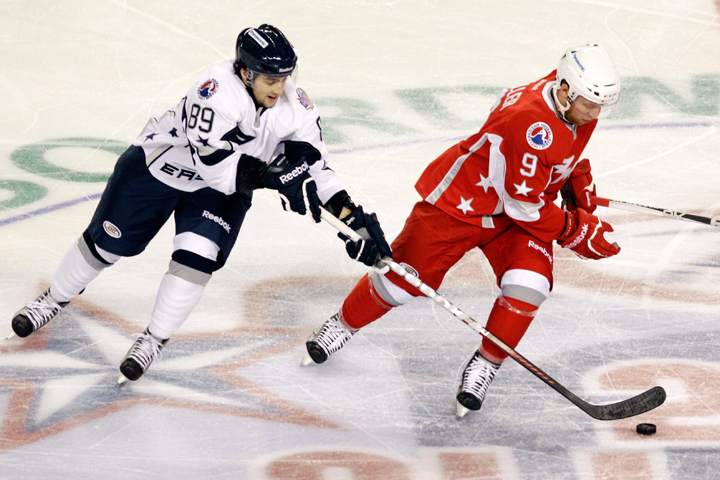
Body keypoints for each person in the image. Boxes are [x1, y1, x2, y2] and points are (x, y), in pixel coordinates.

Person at [10, 24, 391, 383]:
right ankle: (54, 300)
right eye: (270, 79)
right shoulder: (215, 90)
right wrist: (275, 177)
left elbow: (315, 168)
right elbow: (213, 164)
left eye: (285, 77)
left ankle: (153, 340)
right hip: (158, 168)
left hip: (221, 191)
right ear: (245, 73)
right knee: (105, 246)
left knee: (197, 258)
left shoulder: (297, 107)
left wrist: (352, 219)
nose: (280, 87)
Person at [301, 44, 621, 418]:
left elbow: (542, 165)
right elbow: (525, 205)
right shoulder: (532, 123)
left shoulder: (569, 97)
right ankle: (342, 324)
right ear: (565, 89)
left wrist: (568, 176)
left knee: (529, 286)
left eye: (601, 105)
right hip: (463, 203)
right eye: (589, 104)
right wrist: (574, 229)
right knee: (400, 281)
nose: (595, 113)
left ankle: (486, 363)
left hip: (513, 214)